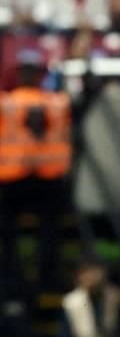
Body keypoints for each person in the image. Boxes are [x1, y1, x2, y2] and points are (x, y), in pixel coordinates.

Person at [0, 50, 73, 290]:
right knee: (47, 232)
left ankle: (15, 276)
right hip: (44, 178)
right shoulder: (57, 102)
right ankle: (43, 276)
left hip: (16, 179)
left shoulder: (7, 103)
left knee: (11, 234)